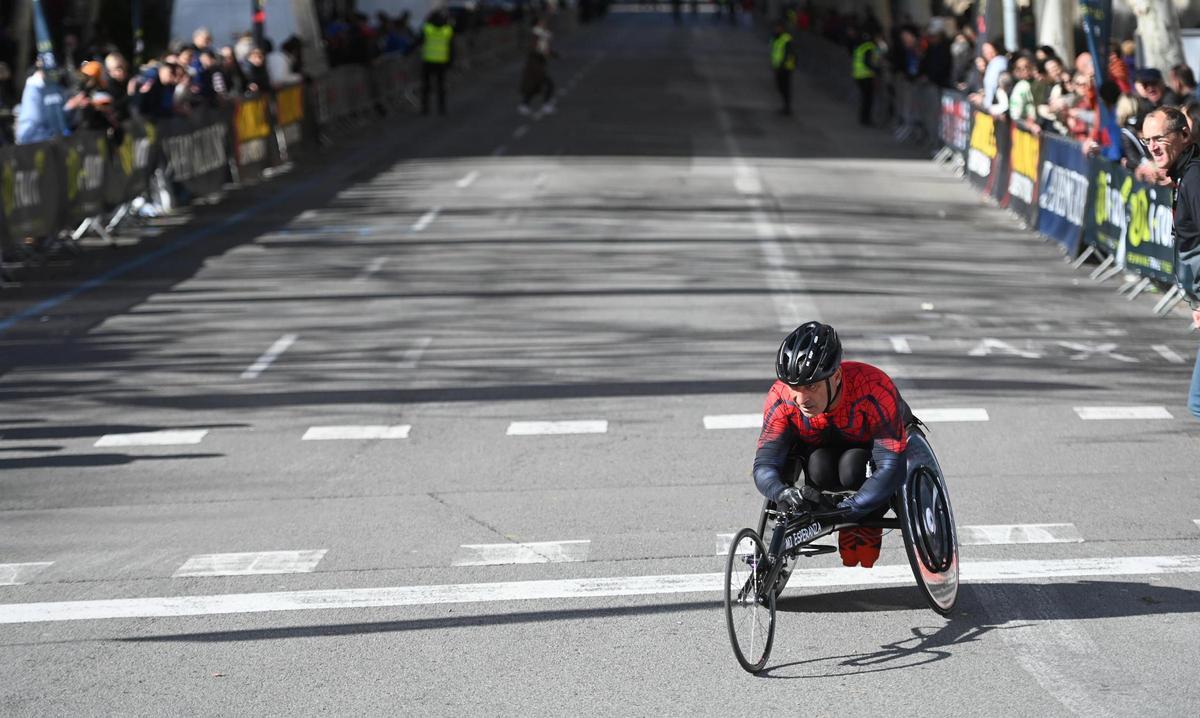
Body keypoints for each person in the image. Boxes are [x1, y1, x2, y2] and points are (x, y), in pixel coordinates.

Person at [752, 322, 917, 568]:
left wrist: (852, 510)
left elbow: (892, 466)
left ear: (836, 376)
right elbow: (764, 464)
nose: (802, 399)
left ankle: (867, 519)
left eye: (812, 386)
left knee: (852, 468)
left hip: (869, 456)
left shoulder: (874, 387)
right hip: (820, 457)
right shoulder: (780, 398)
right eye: (794, 388)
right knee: (819, 467)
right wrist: (782, 492)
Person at [1141, 107, 1200, 420]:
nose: (1153, 147)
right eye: (1147, 141)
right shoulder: (1186, 177)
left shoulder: (1194, 179)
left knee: (1198, 402)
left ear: (1184, 135)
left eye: (1160, 138)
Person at [15, 60, 71, 144]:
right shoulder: (36, 87)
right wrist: (69, 108)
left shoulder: (46, 87)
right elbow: (40, 118)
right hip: (34, 138)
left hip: (36, 138)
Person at [518, 16, 556, 116]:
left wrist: (554, 54)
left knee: (534, 87)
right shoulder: (536, 35)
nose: (545, 24)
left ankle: (524, 105)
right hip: (534, 65)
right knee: (549, 84)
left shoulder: (542, 35)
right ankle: (546, 105)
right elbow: (536, 50)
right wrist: (544, 53)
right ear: (537, 24)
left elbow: (545, 49)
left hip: (538, 64)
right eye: (542, 23)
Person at [419, 10, 454, 116]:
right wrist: (451, 61)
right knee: (441, 86)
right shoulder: (447, 30)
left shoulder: (427, 29)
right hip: (441, 61)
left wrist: (406, 51)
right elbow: (452, 48)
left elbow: (418, 41)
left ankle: (425, 108)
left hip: (428, 61)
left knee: (426, 86)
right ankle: (442, 108)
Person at [850, 31, 878, 126]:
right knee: (867, 100)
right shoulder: (870, 47)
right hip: (866, 76)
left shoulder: (860, 46)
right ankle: (866, 119)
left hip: (858, 76)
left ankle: (863, 118)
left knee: (865, 99)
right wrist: (876, 70)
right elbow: (869, 62)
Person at [770, 21, 796, 117]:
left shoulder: (786, 39)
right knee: (780, 87)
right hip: (778, 67)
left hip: (785, 68)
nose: (776, 29)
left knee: (785, 87)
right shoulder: (776, 37)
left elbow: (791, 54)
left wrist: (785, 65)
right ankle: (786, 106)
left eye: (778, 27)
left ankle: (787, 107)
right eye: (776, 27)